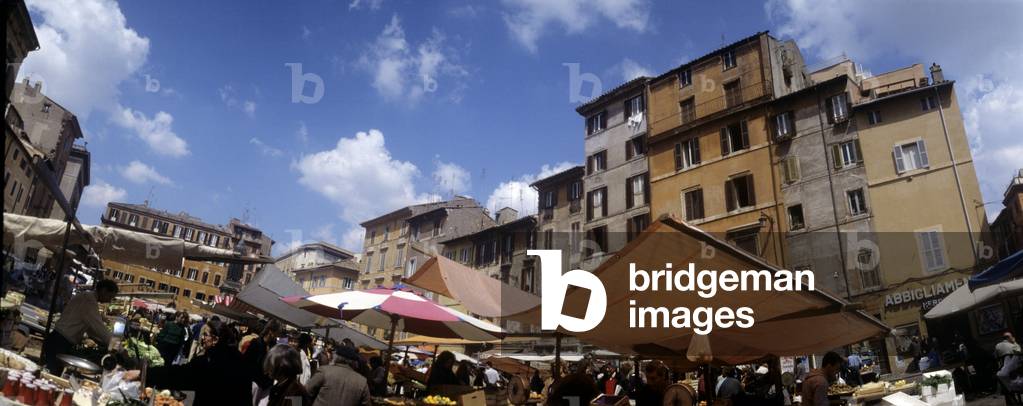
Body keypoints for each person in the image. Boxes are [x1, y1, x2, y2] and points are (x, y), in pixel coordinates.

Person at [140, 321, 253, 405]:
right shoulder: (239, 359)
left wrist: (143, 373)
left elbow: (178, 374)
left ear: (215, 339)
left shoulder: (210, 362)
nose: (202, 338)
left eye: (205, 334)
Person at [42, 279, 119, 373]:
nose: (109, 300)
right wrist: (116, 345)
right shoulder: (89, 301)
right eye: (110, 296)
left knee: (54, 371)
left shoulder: (86, 297)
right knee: (50, 373)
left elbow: (91, 329)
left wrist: (99, 341)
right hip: (60, 341)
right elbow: (98, 327)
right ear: (104, 290)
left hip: (60, 340)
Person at [306, 345, 371, 406]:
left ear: (336, 357)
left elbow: (305, 392)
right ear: (355, 362)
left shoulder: (324, 371)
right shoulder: (362, 382)